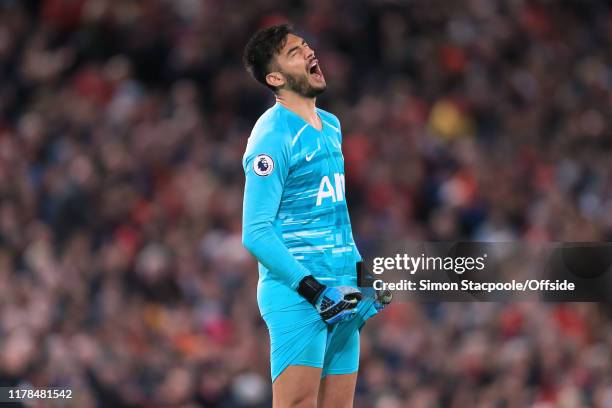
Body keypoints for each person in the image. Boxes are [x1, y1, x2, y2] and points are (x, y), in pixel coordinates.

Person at [241, 24, 389, 407]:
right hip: (300, 296)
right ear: (275, 78)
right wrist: (313, 290)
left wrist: (363, 276)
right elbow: (255, 231)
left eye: (306, 46)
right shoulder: (272, 137)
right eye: (294, 52)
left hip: (342, 293)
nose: (308, 53)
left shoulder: (332, 126)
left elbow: (335, 212)